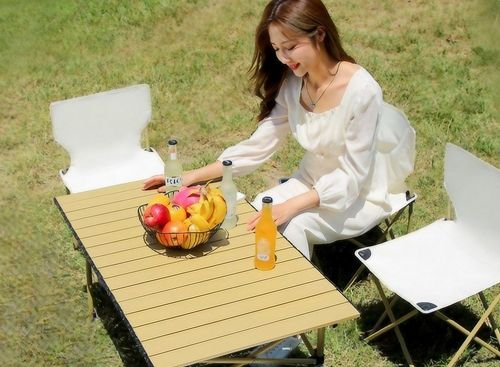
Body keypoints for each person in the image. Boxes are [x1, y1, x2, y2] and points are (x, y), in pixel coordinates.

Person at [143, 0, 414, 260]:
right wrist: (192, 177)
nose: (283, 58)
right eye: (276, 49)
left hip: (357, 194)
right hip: (309, 181)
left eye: (291, 47)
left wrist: (292, 206)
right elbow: (258, 146)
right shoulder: (294, 83)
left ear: (320, 34)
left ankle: (300, 291)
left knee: (293, 225)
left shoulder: (362, 91)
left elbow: (352, 176)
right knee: (258, 209)